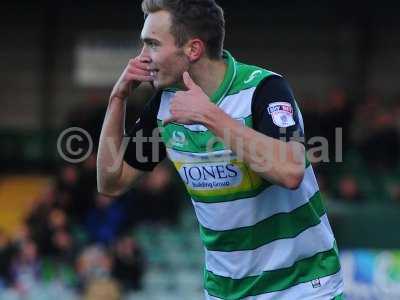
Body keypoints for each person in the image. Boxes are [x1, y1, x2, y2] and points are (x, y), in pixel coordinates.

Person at [97, 0, 344, 299]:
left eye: (152, 44)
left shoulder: (263, 89)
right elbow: (111, 182)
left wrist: (209, 116)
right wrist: (118, 98)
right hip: (225, 291)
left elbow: (290, 171)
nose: (141, 58)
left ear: (193, 49)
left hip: (302, 286)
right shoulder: (165, 105)